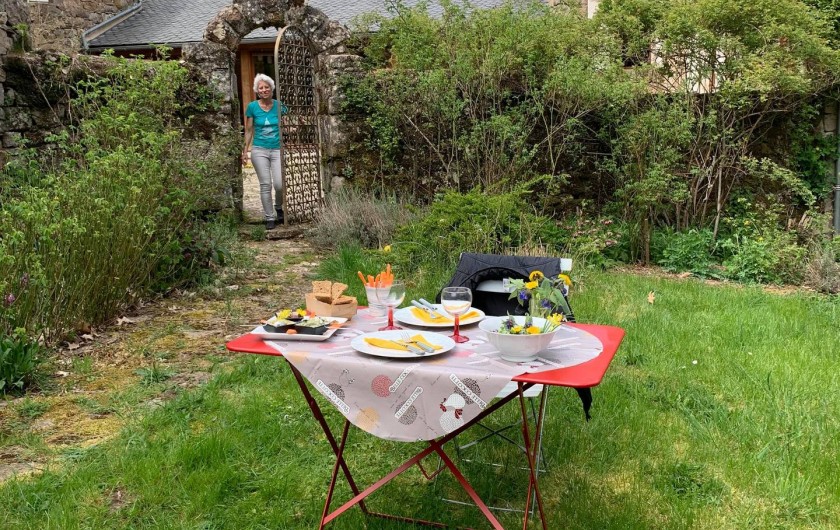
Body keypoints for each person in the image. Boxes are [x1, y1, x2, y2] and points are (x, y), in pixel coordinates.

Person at [242, 73, 289, 230]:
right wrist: (245, 152)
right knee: (265, 184)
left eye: (266, 87)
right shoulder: (252, 107)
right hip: (259, 150)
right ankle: (269, 217)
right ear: (257, 90)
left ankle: (278, 206)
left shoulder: (279, 105)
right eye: (260, 88)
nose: (264, 90)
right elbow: (248, 131)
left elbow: (287, 126)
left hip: (277, 149)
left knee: (279, 184)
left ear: (271, 88)